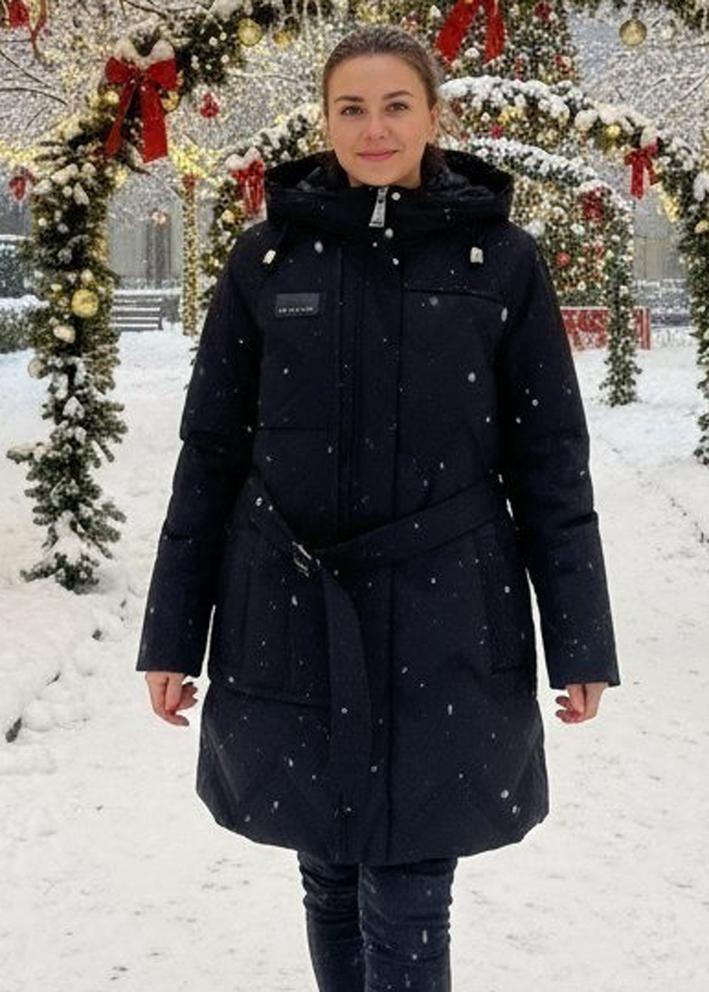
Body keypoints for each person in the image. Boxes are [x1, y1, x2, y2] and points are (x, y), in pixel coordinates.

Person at [135, 23, 621, 992]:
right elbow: (210, 458)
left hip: (446, 619)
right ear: (323, 120)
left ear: (433, 116)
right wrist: (170, 636)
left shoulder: (501, 262)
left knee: (407, 889)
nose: (373, 128)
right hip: (289, 611)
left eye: (396, 105)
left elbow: (550, 465)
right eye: (350, 108)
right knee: (325, 870)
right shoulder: (266, 262)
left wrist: (580, 642)